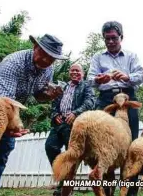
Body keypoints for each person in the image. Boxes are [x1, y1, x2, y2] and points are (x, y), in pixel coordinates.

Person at [0, 34, 68, 196]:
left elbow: (37, 95)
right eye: (44, 54)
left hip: (10, 104)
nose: (46, 60)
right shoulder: (14, 63)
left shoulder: (48, 70)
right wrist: (8, 127)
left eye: (52, 58)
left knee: (5, 146)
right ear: (35, 47)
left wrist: (49, 96)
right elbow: (3, 101)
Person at [87, 21, 143, 196]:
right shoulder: (98, 57)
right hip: (105, 100)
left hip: (127, 98)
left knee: (131, 144)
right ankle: (106, 190)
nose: (110, 42)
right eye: (107, 39)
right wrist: (99, 80)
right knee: (103, 145)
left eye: (114, 38)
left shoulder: (131, 56)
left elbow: (141, 75)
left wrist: (127, 77)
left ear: (121, 37)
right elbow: (89, 79)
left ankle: (130, 192)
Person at [45, 63, 95, 196]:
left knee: (71, 155)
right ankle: (62, 176)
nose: (75, 73)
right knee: (50, 147)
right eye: (72, 70)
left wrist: (75, 113)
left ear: (82, 73)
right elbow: (54, 103)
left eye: (77, 71)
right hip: (58, 123)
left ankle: (65, 188)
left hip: (75, 125)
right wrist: (55, 115)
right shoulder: (62, 86)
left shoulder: (86, 86)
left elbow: (90, 102)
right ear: (69, 72)